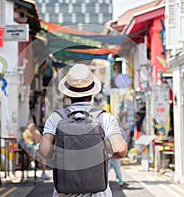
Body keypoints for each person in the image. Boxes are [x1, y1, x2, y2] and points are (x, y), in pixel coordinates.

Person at [38, 63, 128, 197]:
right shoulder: (104, 118)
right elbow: (121, 150)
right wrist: (101, 151)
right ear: (92, 92)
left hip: (64, 192)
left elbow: (44, 151)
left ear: (67, 94)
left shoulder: (56, 118)